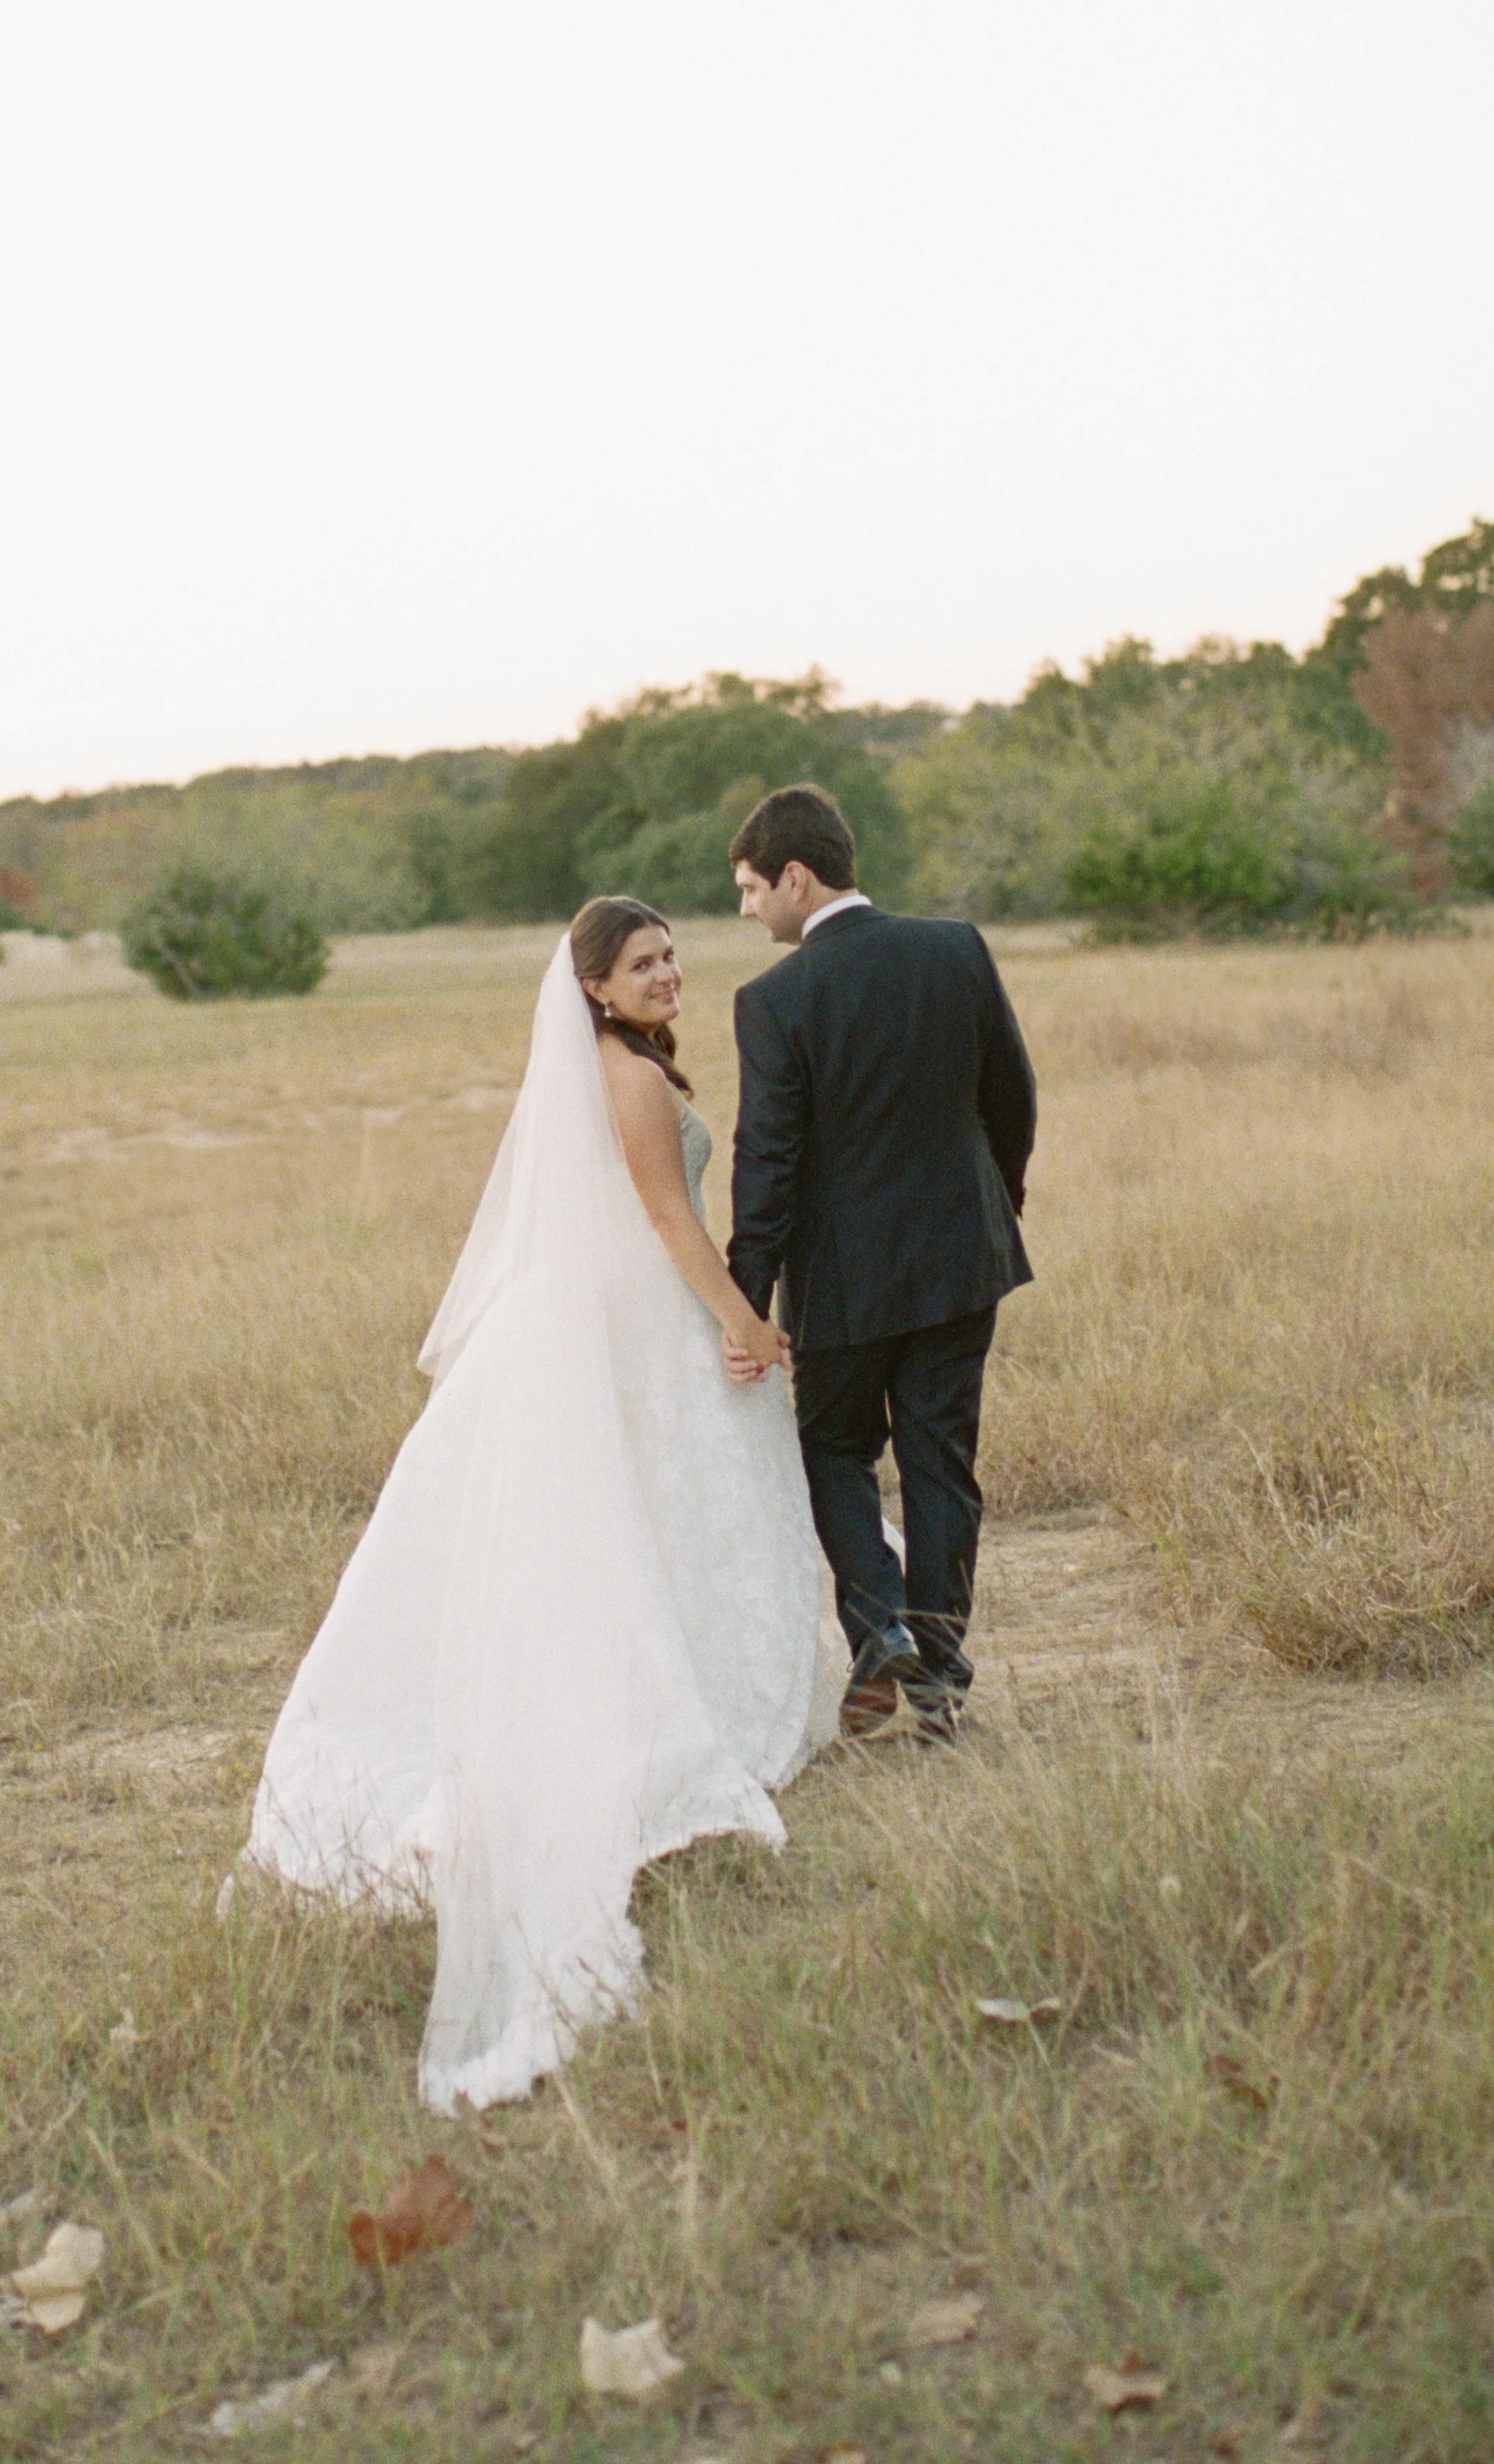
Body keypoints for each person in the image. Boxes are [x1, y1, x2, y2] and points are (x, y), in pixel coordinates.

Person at [225, 900, 838, 2111]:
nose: (670, 973)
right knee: (656, 1518)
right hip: (643, 1323)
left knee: (638, 1525)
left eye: (673, 954)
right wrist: (745, 1324)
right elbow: (670, 1220)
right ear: (597, 989)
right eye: (643, 963)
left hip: (595, 1316)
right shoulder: (635, 1085)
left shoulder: (614, 1071)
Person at [726, 785, 1038, 1742]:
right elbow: (1013, 1097)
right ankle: (940, 1676)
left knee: (833, 1451)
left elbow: (766, 1160)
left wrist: (748, 1301)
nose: (745, 909)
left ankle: (880, 1623)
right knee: (942, 1465)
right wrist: (992, 1208)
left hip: (847, 1284)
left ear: (795, 876)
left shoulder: (775, 999)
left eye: (748, 888)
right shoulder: (956, 947)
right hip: (960, 1259)